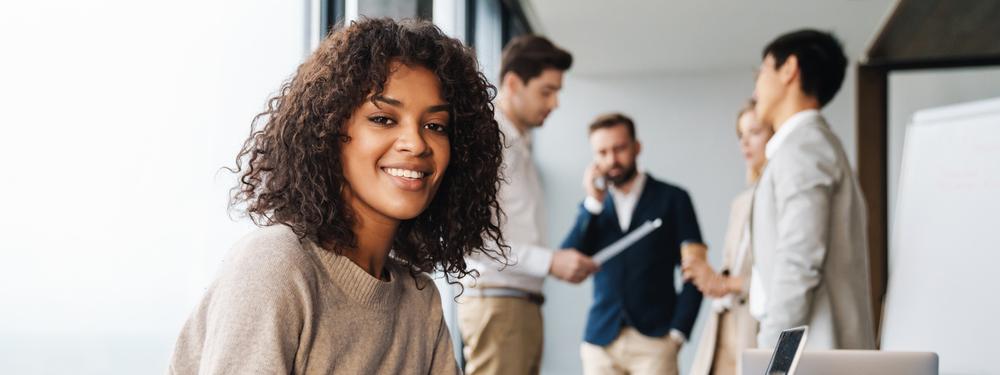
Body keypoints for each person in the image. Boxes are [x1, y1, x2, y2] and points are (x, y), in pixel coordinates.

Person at [168, 18, 506, 374]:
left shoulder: (420, 300)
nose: (417, 143)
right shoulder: (276, 265)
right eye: (383, 119)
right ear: (328, 131)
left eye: (435, 126)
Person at [458, 35, 594, 375]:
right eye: (547, 91)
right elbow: (473, 242)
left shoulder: (519, 144)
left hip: (516, 303)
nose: (555, 103)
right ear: (514, 83)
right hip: (499, 303)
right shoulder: (490, 145)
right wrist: (549, 261)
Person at [747, 29, 875, 349]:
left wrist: (769, 352)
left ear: (789, 69)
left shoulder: (804, 148)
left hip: (813, 351)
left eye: (761, 72)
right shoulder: (812, 145)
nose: (755, 89)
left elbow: (799, 259)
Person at [561, 113, 704, 375]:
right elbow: (568, 259)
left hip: (656, 341)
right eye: (602, 152)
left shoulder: (674, 198)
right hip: (600, 342)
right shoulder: (592, 208)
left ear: (637, 147)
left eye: (619, 148)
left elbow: (695, 270)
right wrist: (592, 203)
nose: (611, 160)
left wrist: (678, 333)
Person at [686, 101, 772, 375]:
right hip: (723, 325)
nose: (744, 143)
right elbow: (730, 267)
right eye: (740, 135)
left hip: (756, 328)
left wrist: (729, 283)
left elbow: (782, 277)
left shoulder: (783, 197)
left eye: (754, 132)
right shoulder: (741, 203)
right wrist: (709, 279)